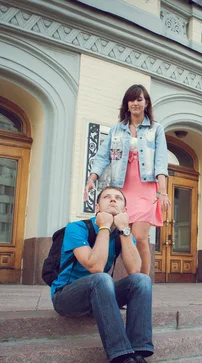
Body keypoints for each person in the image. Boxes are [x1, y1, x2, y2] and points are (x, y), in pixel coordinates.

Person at [51, 186, 164, 363]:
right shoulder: (76, 228)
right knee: (102, 278)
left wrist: (125, 230)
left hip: (100, 294)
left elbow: (135, 270)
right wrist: (104, 227)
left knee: (142, 281)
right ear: (97, 207)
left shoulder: (122, 233)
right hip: (66, 297)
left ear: (124, 210)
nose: (113, 200)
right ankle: (120, 358)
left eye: (118, 198)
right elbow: (95, 266)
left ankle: (137, 354)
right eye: (107, 197)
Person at [84, 84, 170, 276]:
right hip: (122, 189)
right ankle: (125, 283)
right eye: (131, 100)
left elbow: (161, 161)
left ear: (146, 103)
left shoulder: (156, 129)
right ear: (126, 104)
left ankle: (143, 285)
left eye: (139, 99)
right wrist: (92, 178)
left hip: (146, 189)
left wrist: (162, 192)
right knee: (124, 236)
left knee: (140, 237)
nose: (135, 103)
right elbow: (102, 157)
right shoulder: (116, 130)